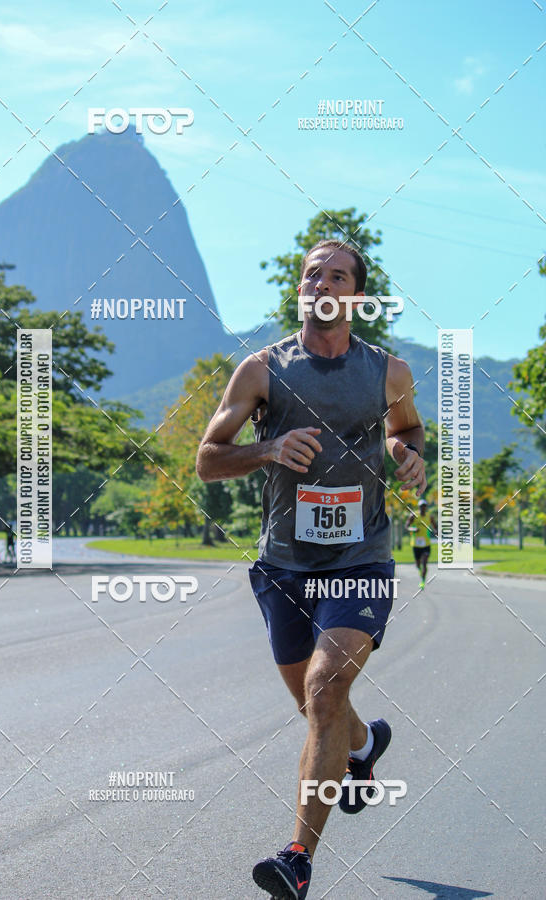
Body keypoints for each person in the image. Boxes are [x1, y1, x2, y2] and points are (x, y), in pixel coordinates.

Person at [196, 239, 427, 899]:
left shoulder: (389, 373)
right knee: (318, 706)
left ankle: (298, 858)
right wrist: (267, 449)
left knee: (326, 690)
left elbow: (408, 432)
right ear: (301, 288)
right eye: (311, 273)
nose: (321, 282)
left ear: (356, 294)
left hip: (360, 562)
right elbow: (208, 459)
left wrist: (407, 454)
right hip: (283, 568)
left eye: (337, 275)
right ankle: (361, 746)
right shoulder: (262, 371)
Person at [406, 499, 437, 589]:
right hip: (416, 544)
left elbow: (435, 527)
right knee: (418, 564)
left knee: (424, 563)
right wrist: (413, 529)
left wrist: (436, 531)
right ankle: (420, 571)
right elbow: (407, 526)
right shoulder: (414, 515)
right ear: (419, 507)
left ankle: (422, 581)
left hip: (426, 544)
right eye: (421, 506)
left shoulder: (429, 516)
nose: (423, 508)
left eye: (424, 506)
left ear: (426, 507)